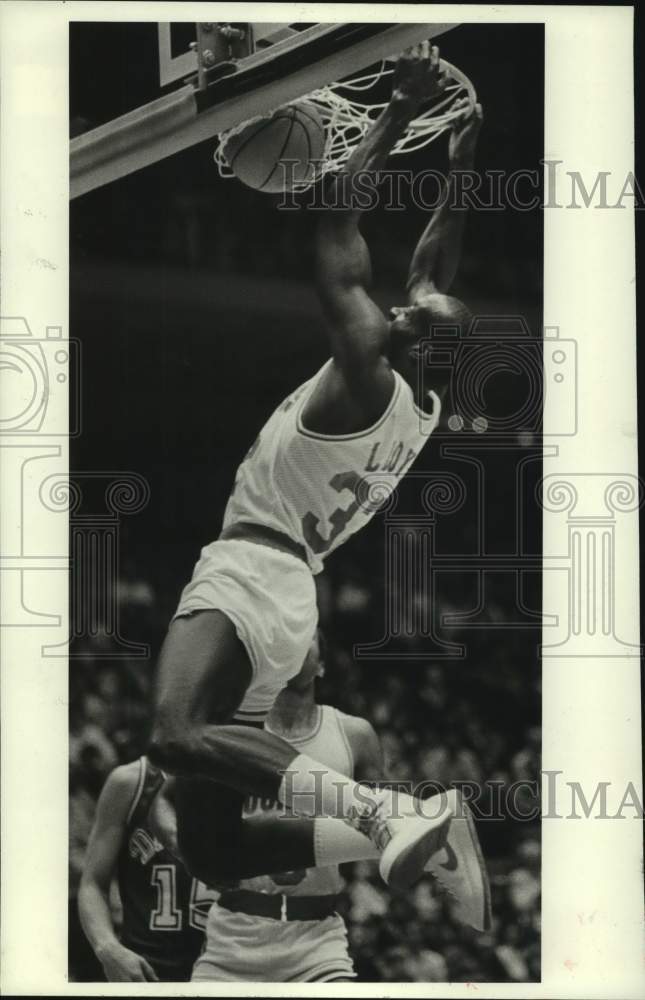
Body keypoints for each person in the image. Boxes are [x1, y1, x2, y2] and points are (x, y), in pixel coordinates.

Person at [149, 41, 489, 928]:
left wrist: (397, 113)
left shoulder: (369, 373)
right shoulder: (418, 400)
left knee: (173, 735)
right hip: (291, 597)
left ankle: (379, 811)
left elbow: (337, 227)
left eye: (408, 315)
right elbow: (433, 274)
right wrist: (461, 161)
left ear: (403, 339)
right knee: (214, 848)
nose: (402, 304)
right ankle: (411, 828)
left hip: (255, 567)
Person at [190, 632, 381, 982]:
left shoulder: (355, 735)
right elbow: (163, 800)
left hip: (317, 941)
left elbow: (382, 824)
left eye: (307, 636)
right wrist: (187, 847)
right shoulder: (231, 730)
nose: (294, 640)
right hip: (233, 938)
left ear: (322, 664)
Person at [78, 756, 217, 982]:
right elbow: (93, 883)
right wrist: (108, 948)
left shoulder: (247, 778)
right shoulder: (130, 782)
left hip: (228, 970)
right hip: (149, 972)